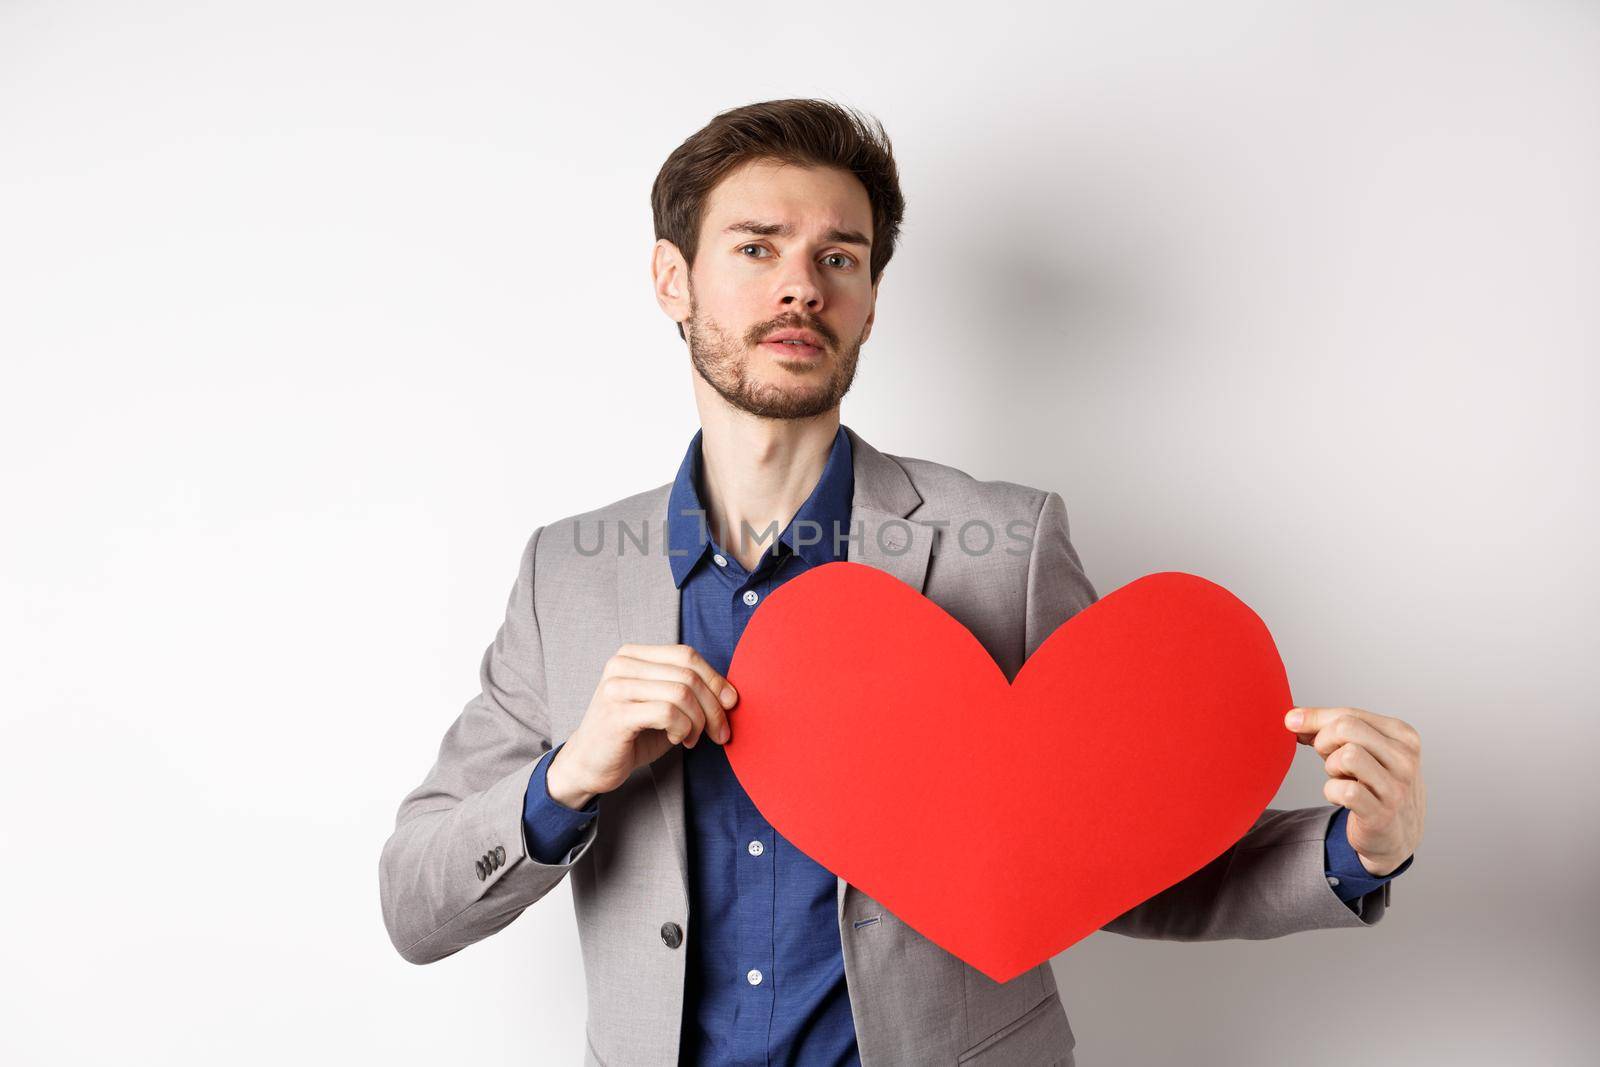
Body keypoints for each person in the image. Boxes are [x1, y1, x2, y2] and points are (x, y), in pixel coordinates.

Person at [378, 98, 1425, 1066]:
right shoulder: (565, 574)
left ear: (870, 301)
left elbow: (1118, 852)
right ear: (672, 278)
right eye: (757, 248)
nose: (803, 285)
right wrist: (567, 778)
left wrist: (1349, 848)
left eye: (840, 256)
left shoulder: (1001, 545)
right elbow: (415, 900)